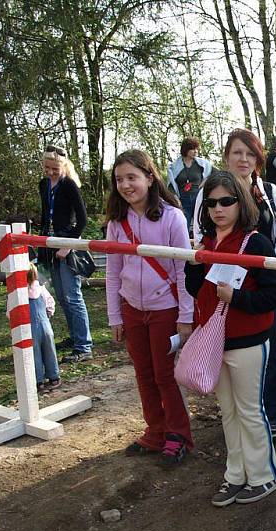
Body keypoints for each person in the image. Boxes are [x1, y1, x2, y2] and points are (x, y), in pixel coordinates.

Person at [186, 171, 276, 506]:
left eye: (226, 201)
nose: (218, 208)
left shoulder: (255, 241)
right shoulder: (206, 244)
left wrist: (237, 298)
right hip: (216, 340)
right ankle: (236, 474)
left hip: (248, 341)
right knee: (227, 411)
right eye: (212, 202)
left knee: (249, 410)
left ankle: (264, 475)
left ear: (239, 203)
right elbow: (194, 289)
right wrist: (194, 262)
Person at [193, 129, 276, 441]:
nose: (244, 159)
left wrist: (265, 270)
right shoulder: (209, 192)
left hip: (260, 287)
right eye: (238, 152)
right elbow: (200, 237)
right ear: (226, 156)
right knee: (227, 353)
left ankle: (272, 417)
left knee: (267, 352)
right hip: (220, 286)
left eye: (250, 153)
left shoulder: (271, 192)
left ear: (259, 159)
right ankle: (237, 417)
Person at [105, 149, 194, 468]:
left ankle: (178, 434)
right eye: (119, 179)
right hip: (132, 309)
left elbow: (184, 269)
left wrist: (185, 316)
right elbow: (113, 270)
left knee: (165, 374)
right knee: (144, 373)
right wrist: (115, 315)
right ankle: (156, 431)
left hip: (164, 310)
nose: (126, 185)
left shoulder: (172, 217)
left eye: (132, 177)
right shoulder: (117, 221)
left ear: (149, 177)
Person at [38, 144, 93, 363]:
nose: (50, 172)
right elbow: (44, 215)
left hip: (66, 243)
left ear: (63, 166)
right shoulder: (43, 185)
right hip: (49, 244)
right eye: (47, 168)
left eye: (54, 168)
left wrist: (68, 245)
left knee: (73, 295)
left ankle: (84, 345)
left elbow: (82, 220)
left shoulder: (69, 185)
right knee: (61, 296)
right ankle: (74, 337)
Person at [25, 264, 60, 392]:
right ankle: (54, 376)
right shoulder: (41, 289)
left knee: (34, 354)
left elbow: (10, 312)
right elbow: (50, 303)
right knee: (49, 350)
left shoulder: (19, 294)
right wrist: (48, 314)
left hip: (29, 328)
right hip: (45, 325)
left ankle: (38, 380)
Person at [166, 137, 212, 232]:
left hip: (199, 199)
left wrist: (205, 181)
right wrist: (175, 199)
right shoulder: (174, 166)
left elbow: (215, 174)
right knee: (183, 227)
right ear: (186, 150)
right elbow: (170, 185)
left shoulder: (203, 164)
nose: (196, 151)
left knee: (201, 226)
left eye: (197, 149)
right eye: (193, 149)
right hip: (183, 201)